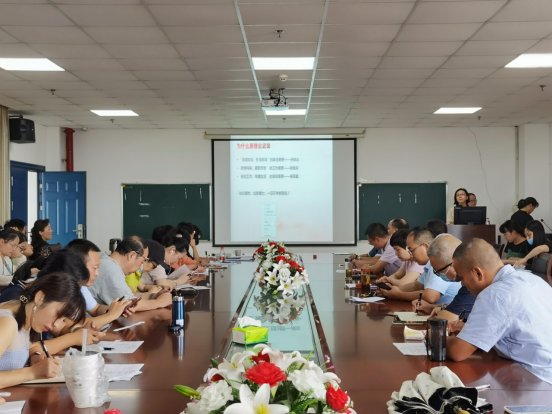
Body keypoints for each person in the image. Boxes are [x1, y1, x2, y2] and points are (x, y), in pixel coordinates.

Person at [446, 238, 552, 384]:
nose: (462, 284)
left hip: (537, 381)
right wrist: (470, 332)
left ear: (477, 273)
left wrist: (434, 337)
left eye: (461, 277)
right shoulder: (532, 279)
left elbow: (458, 352)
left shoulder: (493, 294)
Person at [0, 273, 86, 388]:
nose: (56, 325)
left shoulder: (27, 316)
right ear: (40, 297)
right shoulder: (8, 323)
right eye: (58, 314)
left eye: (63, 320)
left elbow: (14, 349)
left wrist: (34, 356)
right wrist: (33, 372)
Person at [379, 227, 461, 305]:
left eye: (411, 250)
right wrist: (392, 290)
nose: (411, 254)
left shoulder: (439, 264)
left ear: (425, 247)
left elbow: (431, 297)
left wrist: (398, 294)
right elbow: (417, 285)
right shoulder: (428, 265)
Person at [88, 236, 172, 311]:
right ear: (132, 255)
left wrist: (153, 296)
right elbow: (129, 304)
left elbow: (128, 295)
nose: (140, 267)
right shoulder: (111, 270)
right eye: (142, 261)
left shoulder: (108, 263)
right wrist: (160, 302)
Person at [66, 239, 133, 328]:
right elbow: (71, 326)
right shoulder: (62, 288)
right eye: (94, 268)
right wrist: (111, 315)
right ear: (78, 266)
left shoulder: (81, 287)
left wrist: (116, 309)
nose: (97, 273)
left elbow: (96, 309)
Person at [409, 235, 476, 322]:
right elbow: (459, 306)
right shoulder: (466, 283)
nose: (438, 275)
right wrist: (433, 308)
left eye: (438, 271)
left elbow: (447, 321)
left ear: (454, 264)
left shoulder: (471, 283)